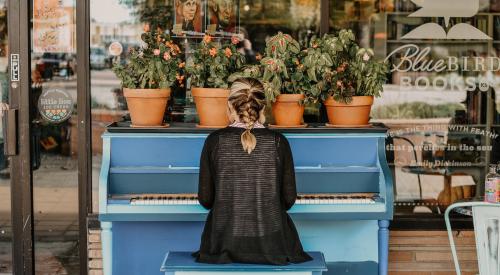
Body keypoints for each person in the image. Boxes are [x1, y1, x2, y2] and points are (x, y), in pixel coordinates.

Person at [193, 78, 312, 265]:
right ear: (263, 108)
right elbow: (288, 200)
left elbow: (206, 200)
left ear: (230, 106)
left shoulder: (214, 141)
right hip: (273, 245)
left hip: (222, 244)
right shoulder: (278, 142)